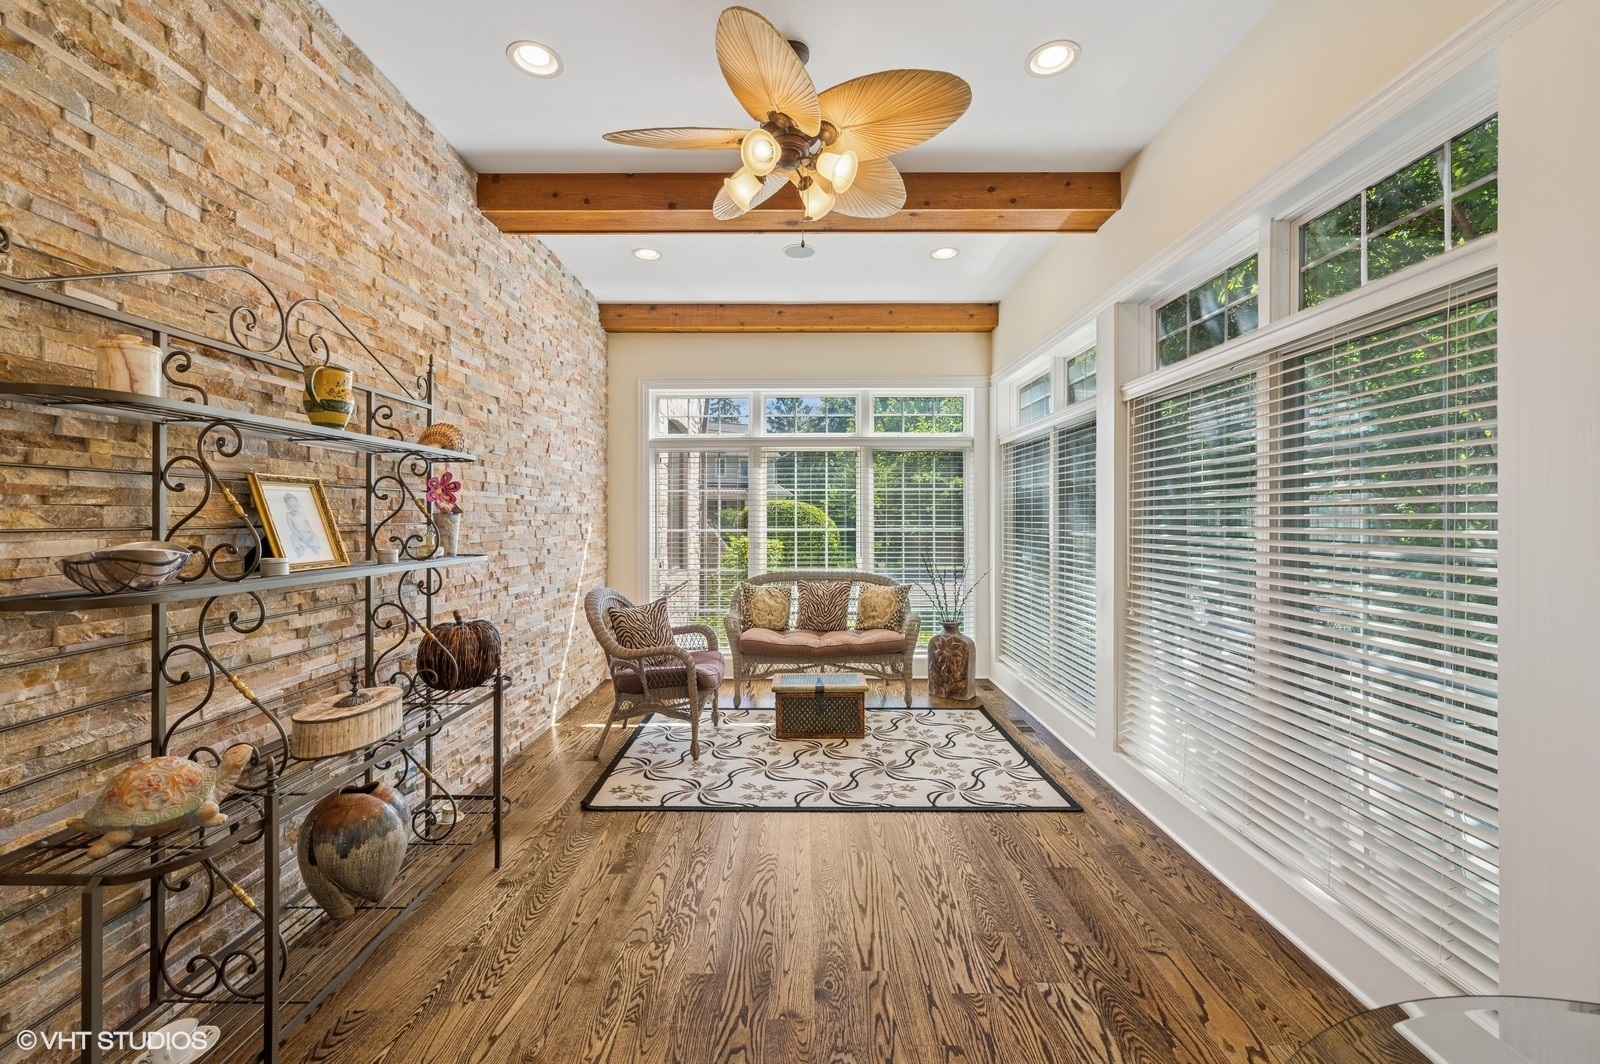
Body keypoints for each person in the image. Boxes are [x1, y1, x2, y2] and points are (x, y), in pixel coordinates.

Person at [279, 491, 325, 560]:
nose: (293, 508)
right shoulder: (289, 515)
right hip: (297, 534)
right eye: (290, 507)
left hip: (306, 533)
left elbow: (307, 522)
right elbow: (290, 526)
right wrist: (297, 534)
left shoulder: (302, 514)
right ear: (287, 507)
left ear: (299, 505)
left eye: (295, 506)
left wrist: (310, 529)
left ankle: (313, 545)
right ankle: (300, 549)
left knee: (315, 535)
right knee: (293, 538)